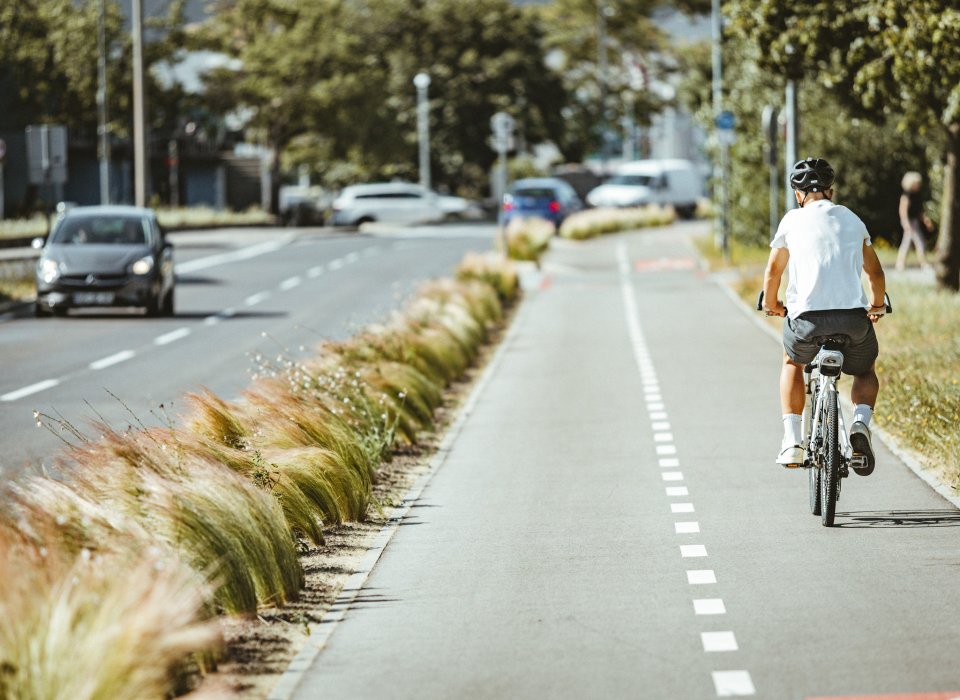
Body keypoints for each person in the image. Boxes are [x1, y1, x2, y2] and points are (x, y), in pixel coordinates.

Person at [762, 157, 887, 475]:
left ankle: (792, 440)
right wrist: (876, 306)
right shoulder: (852, 219)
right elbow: (875, 273)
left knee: (792, 362)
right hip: (853, 321)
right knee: (864, 370)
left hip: (806, 322)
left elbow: (773, 271)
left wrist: (772, 303)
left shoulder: (792, 220)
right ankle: (860, 423)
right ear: (831, 191)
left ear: (798, 194)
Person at [896, 171, 931, 271]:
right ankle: (923, 263)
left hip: (914, 222)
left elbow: (920, 211)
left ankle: (900, 264)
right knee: (919, 242)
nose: (919, 185)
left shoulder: (917, 195)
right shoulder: (907, 195)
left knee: (907, 243)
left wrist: (926, 220)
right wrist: (906, 224)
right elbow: (903, 210)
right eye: (917, 183)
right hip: (908, 222)